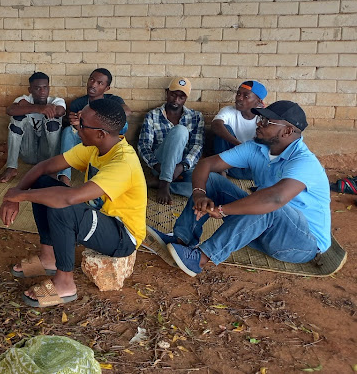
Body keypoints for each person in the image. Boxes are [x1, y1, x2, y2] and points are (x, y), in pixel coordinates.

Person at [147, 101, 331, 277]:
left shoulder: (304, 161)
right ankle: (182, 239)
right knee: (212, 181)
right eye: (260, 119)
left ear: (288, 131)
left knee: (267, 205)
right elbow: (206, 164)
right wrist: (198, 195)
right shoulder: (256, 147)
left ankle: (200, 259)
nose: (259, 124)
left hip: (302, 244)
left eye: (267, 122)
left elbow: (274, 199)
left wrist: (222, 210)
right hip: (260, 230)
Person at [0, 99, 147, 308]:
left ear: (100, 133)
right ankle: (48, 258)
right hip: (98, 217)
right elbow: (44, 167)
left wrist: (18, 197)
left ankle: (65, 283)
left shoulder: (123, 163)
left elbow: (68, 198)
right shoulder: (95, 148)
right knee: (43, 184)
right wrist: (16, 193)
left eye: (82, 124)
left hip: (123, 236)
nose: (76, 128)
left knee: (63, 205)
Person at [57, 68, 132, 185]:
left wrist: (97, 117)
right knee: (68, 131)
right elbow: (78, 129)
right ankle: (64, 179)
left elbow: (126, 112)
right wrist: (76, 122)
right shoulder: (78, 103)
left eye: (99, 83)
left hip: (106, 139)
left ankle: (105, 167)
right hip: (85, 137)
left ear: (107, 88)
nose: (93, 85)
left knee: (124, 124)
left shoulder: (113, 100)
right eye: (91, 80)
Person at [138, 78, 204, 205]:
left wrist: (182, 166)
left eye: (181, 97)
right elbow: (144, 146)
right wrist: (158, 166)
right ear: (167, 92)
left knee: (201, 189)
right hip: (160, 163)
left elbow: (197, 146)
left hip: (183, 167)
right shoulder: (153, 115)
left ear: (186, 98)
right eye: (173, 94)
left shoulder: (196, 117)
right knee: (180, 131)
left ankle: (160, 182)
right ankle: (165, 183)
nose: (176, 100)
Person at [0, 72, 66, 184]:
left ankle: (53, 169)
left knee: (52, 122)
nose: (42, 91)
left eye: (45, 87)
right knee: (16, 120)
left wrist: (28, 107)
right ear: (30, 90)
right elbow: (10, 110)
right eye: (37, 88)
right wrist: (38, 108)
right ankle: (11, 167)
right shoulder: (24, 99)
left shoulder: (56, 101)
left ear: (49, 88)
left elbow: (60, 111)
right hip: (28, 152)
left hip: (47, 155)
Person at [211, 80, 267, 180]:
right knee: (223, 129)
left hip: (253, 169)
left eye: (246, 96)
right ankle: (222, 175)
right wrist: (239, 144)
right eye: (238, 94)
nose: (239, 98)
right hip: (231, 165)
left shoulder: (264, 117)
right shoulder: (228, 111)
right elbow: (215, 125)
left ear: (258, 101)